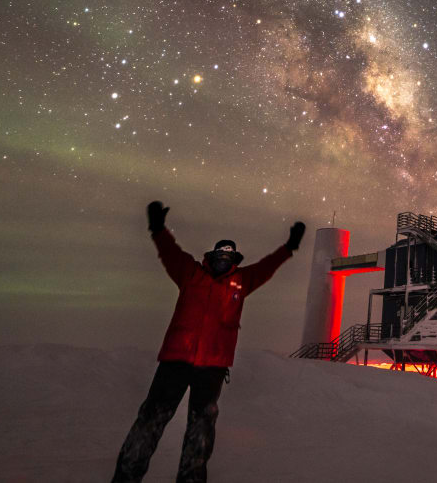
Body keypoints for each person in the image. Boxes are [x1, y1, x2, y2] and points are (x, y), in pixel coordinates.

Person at [112, 201, 306, 483]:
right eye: (219, 254)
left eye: (229, 255)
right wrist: (157, 228)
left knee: (200, 430)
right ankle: (126, 477)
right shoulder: (190, 274)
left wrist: (289, 247)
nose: (223, 259)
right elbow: (170, 253)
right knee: (150, 420)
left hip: (212, 368)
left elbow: (267, 266)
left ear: (235, 258)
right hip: (175, 361)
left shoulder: (242, 280)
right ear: (212, 255)